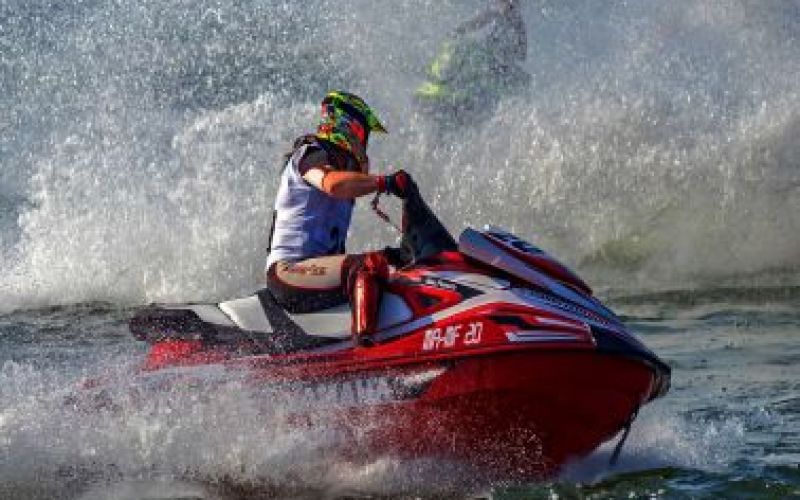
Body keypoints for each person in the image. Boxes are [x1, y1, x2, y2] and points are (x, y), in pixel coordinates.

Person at [265, 91, 409, 345]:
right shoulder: (310, 154)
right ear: (348, 126)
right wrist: (384, 182)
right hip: (290, 272)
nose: (364, 145)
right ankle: (368, 351)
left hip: (315, 272)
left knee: (396, 260)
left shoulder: (343, 173)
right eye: (364, 134)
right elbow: (333, 185)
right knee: (365, 266)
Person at [453, 0, 527, 72]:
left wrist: (508, 55)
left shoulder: (517, 24)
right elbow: (476, 22)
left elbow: (522, 53)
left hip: (498, 65)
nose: (503, 5)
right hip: (490, 58)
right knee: (468, 48)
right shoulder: (495, 14)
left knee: (470, 50)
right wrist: (459, 30)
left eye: (509, 4)